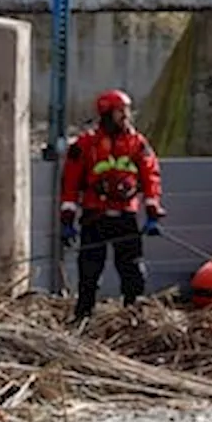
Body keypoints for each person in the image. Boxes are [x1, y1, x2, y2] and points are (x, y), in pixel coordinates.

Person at [59, 89, 167, 324]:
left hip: (125, 215)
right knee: (89, 271)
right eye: (121, 111)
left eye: (126, 111)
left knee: (133, 271)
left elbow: (151, 176)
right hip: (94, 216)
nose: (126, 116)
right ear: (107, 114)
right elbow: (70, 182)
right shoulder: (85, 144)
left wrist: (152, 212)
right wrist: (67, 220)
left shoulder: (137, 143)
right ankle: (83, 317)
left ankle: (134, 316)